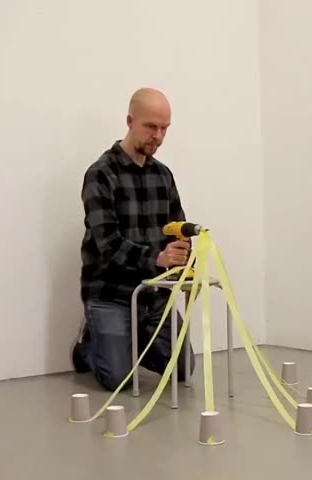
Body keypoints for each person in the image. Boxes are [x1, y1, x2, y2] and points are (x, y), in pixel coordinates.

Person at [71, 87, 196, 391]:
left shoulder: (163, 176)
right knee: (118, 379)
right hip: (112, 295)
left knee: (183, 370)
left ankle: (128, 341)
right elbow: (108, 244)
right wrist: (157, 258)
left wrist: (184, 260)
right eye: (151, 126)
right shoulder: (100, 174)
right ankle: (89, 345)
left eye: (164, 128)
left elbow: (178, 229)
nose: (158, 136)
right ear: (129, 121)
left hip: (154, 296)